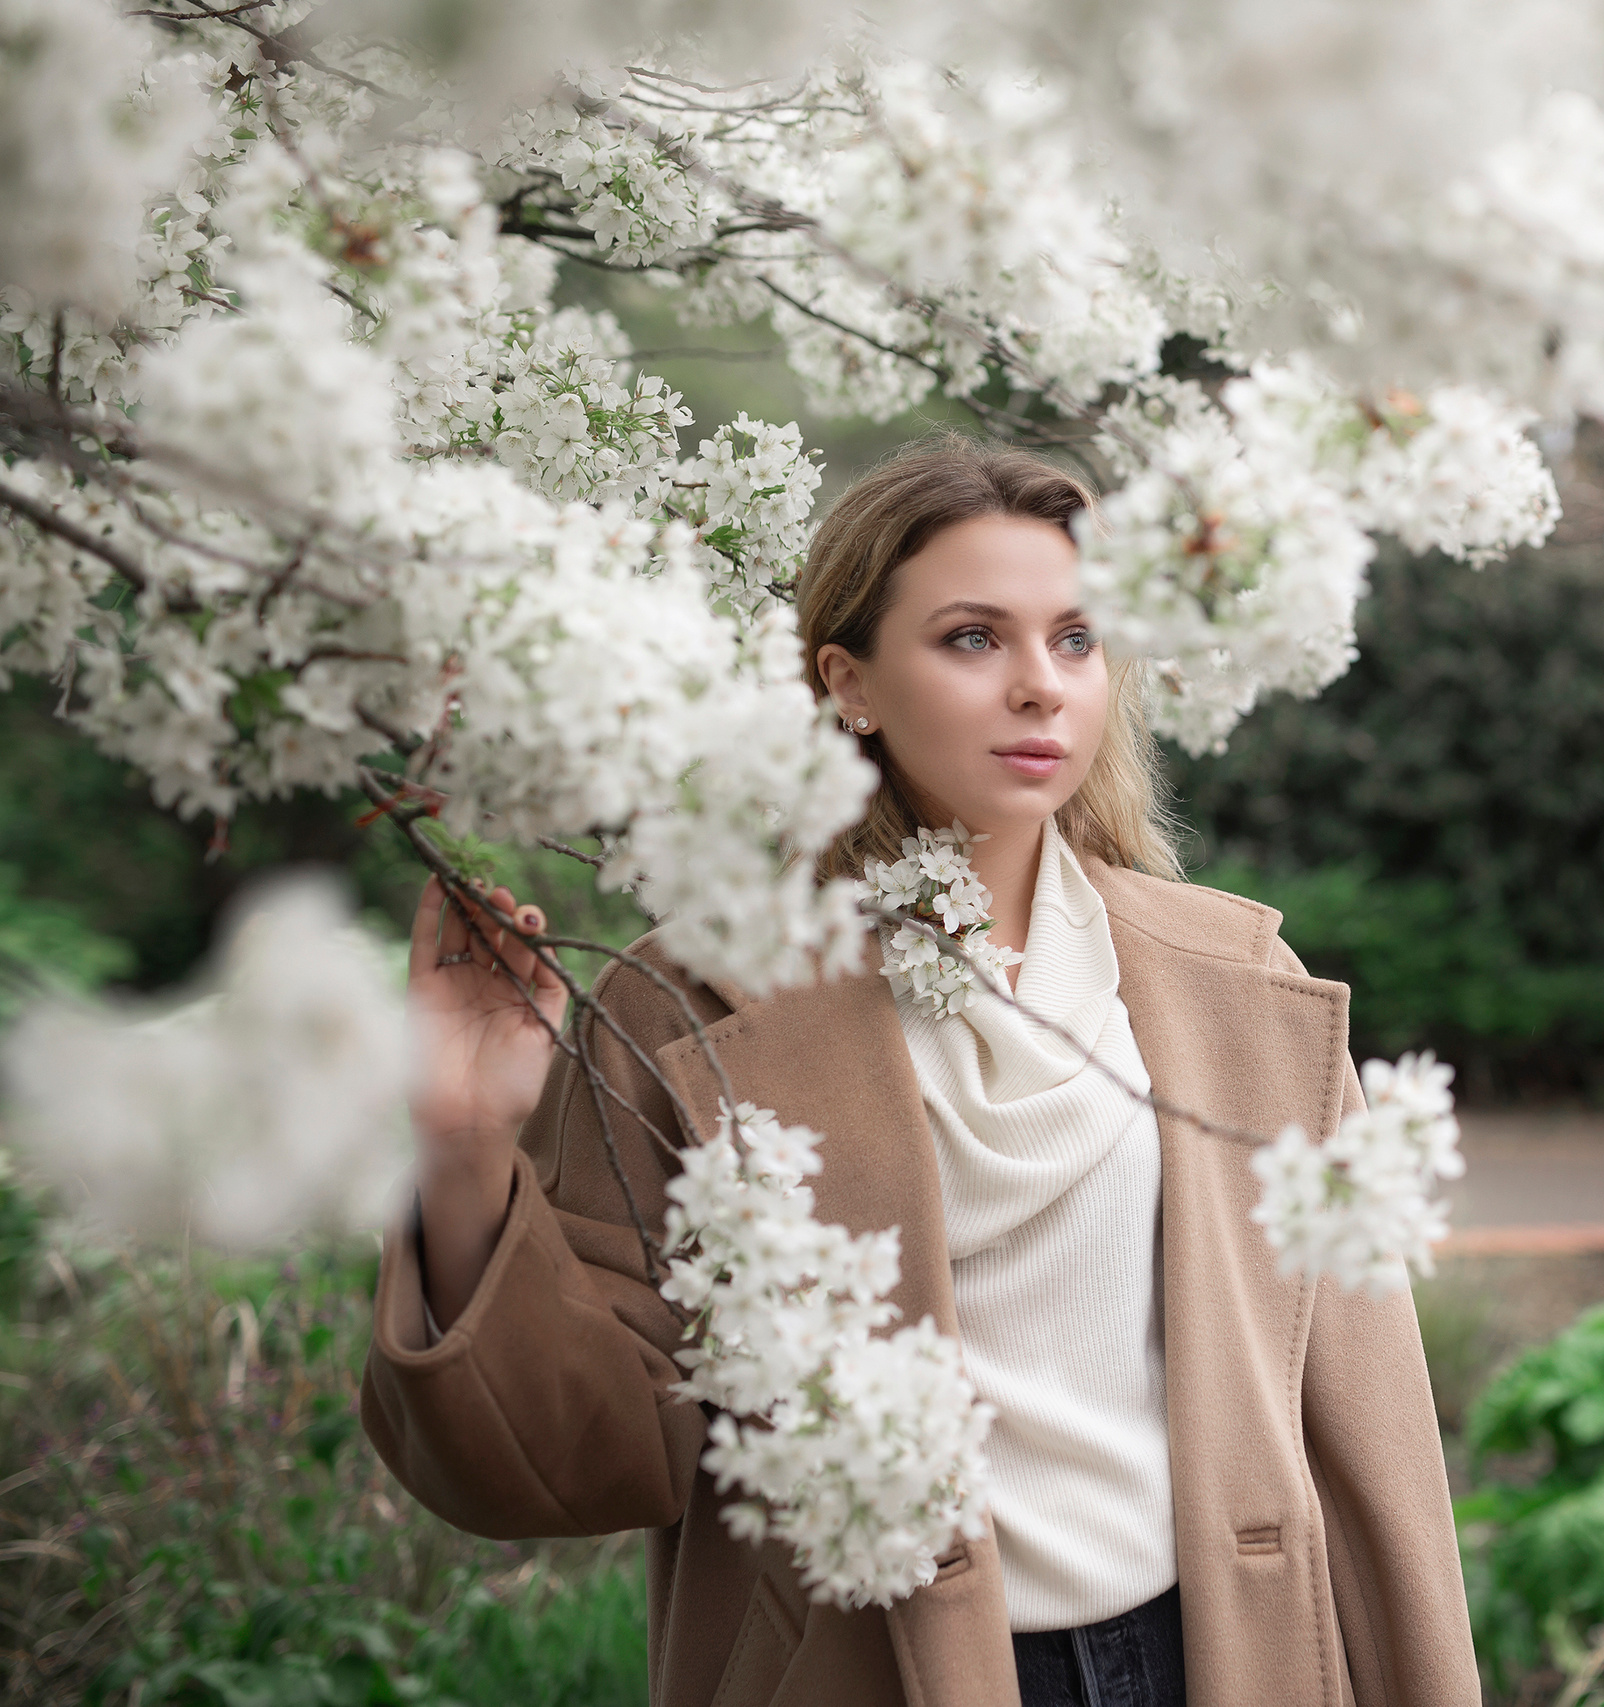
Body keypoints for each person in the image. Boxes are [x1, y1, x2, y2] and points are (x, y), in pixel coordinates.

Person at [360, 433, 1473, 1707]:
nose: (1039, 686)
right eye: (971, 638)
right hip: (869, 1673)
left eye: (1075, 638)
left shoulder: (1239, 986)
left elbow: (1376, 1453)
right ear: (852, 683)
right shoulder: (691, 1006)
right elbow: (589, 1452)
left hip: (1223, 1660)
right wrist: (462, 1148)